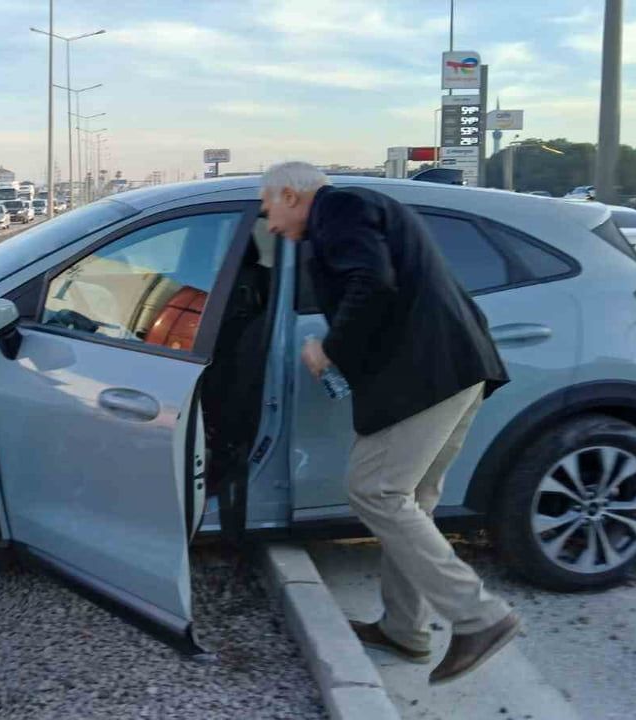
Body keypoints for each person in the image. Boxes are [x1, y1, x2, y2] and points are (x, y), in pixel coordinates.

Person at [260, 161, 520, 685]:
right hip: (457, 370)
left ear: (292, 194)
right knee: (411, 501)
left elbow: (371, 281)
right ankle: (406, 630)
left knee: (375, 492)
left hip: (428, 376)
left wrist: (328, 348)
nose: (268, 223)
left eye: (268, 209)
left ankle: (479, 617)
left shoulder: (340, 208)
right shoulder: (365, 209)